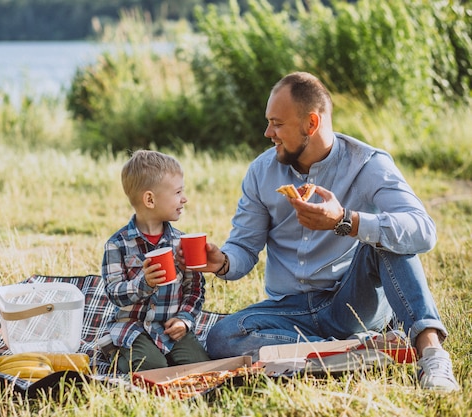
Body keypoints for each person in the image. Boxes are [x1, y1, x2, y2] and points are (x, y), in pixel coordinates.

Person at [181, 72, 459, 391]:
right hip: (290, 309)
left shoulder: (368, 164)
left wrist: (347, 221)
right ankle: (355, 350)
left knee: (386, 237)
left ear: (310, 124)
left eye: (277, 123)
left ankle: (433, 356)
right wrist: (222, 262)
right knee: (223, 337)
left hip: (351, 301)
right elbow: (244, 249)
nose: (267, 132)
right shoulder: (261, 172)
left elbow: (423, 231)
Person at [101, 150, 210, 373]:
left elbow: (195, 289)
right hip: (132, 328)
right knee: (152, 367)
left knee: (200, 366)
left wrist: (184, 320)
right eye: (178, 192)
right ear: (150, 199)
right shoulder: (117, 245)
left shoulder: (181, 242)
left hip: (169, 327)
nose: (184, 198)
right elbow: (114, 292)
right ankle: (115, 353)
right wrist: (145, 283)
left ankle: (162, 354)